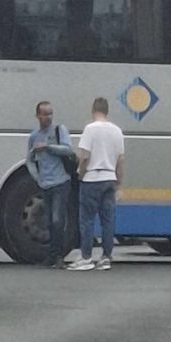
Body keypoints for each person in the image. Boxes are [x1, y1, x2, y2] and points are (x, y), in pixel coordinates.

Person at [68, 97, 125, 271]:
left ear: (93, 110)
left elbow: (84, 157)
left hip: (92, 178)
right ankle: (106, 257)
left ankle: (86, 257)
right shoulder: (117, 131)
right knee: (108, 221)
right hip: (109, 178)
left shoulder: (90, 129)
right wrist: (118, 183)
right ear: (107, 111)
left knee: (87, 220)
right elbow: (121, 160)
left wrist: (80, 174)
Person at [26, 101, 76, 269]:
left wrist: (48, 147)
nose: (48, 117)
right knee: (48, 221)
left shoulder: (59, 130)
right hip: (45, 184)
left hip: (61, 182)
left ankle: (59, 256)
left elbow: (68, 150)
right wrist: (37, 177)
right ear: (38, 116)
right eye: (45, 114)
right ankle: (52, 256)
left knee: (57, 220)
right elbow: (30, 160)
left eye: (50, 114)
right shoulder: (34, 137)